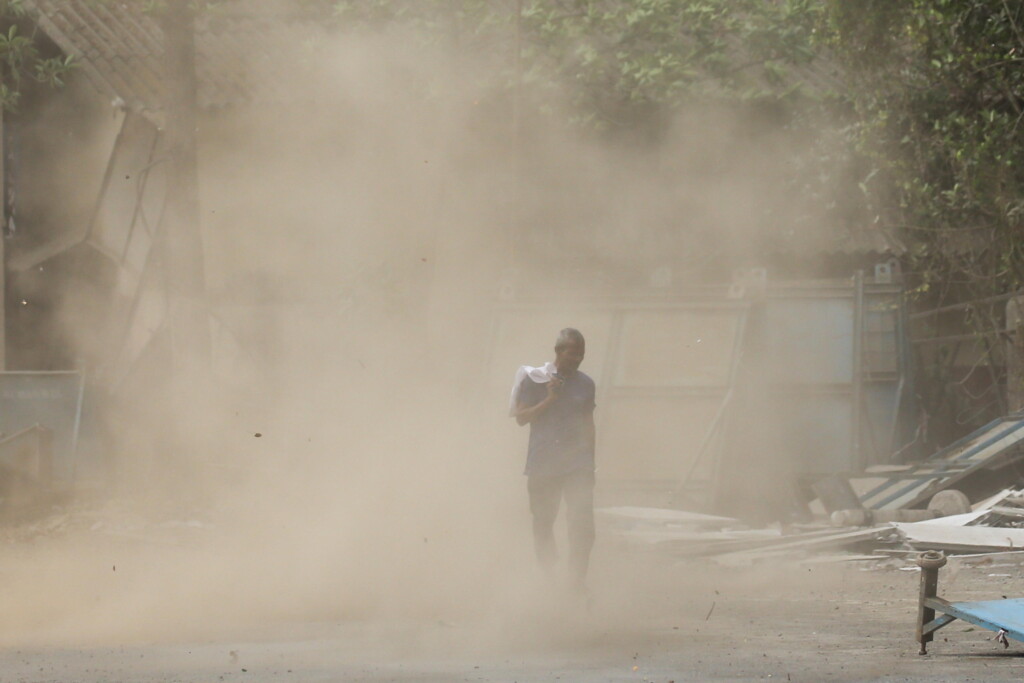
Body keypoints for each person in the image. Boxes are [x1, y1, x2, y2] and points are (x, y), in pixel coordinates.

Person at [512, 328, 596, 593]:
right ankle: (549, 578)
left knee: (583, 524)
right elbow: (521, 417)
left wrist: (591, 462)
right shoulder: (534, 380)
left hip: (577, 465)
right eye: (573, 353)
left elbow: (588, 422)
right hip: (544, 464)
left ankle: (576, 581)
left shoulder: (586, 384)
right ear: (559, 352)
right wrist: (550, 398)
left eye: (581, 354)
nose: (578, 359)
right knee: (543, 523)